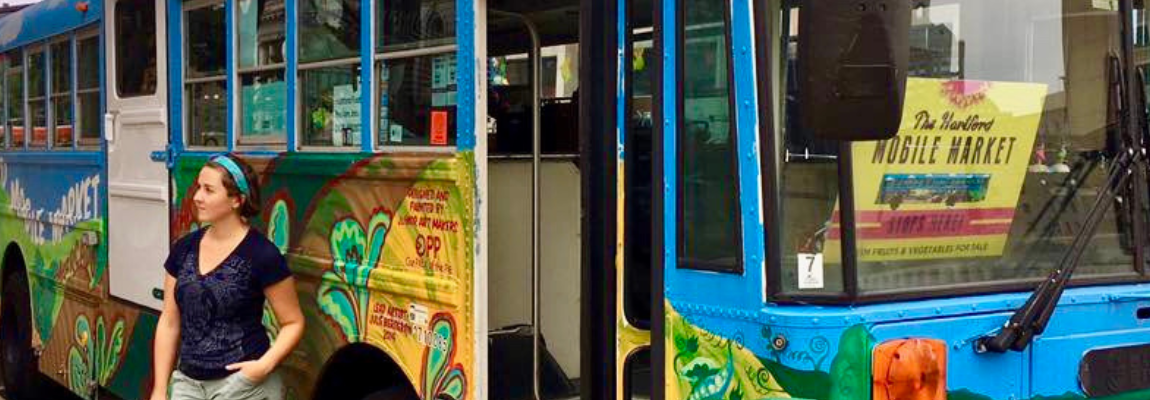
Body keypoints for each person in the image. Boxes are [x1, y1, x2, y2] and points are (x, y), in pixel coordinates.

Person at [151, 154, 304, 400]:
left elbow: (293, 323)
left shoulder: (262, 254)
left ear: (236, 200)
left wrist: (262, 367)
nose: (197, 197)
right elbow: (169, 322)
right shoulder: (183, 249)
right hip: (187, 384)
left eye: (209, 190)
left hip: (243, 386)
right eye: (198, 188)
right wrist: (159, 389)